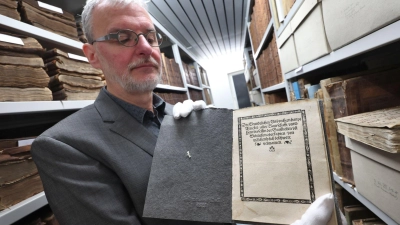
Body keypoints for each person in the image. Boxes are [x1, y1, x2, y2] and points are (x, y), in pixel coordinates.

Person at [31, 0, 342, 224]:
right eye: (121, 37)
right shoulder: (64, 146)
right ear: (93, 55)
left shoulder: (184, 118)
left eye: (150, 36)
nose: (145, 48)